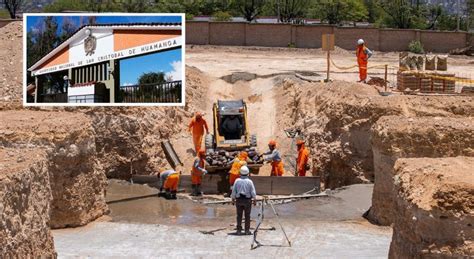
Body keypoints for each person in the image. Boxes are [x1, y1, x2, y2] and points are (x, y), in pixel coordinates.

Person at [231, 166, 256, 235]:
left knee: (239, 215)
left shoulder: (237, 181)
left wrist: (233, 199)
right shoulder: (250, 181)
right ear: (248, 173)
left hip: (239, 200)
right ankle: (247, 231)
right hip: (247, 200)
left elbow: (233, 191)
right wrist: (254, 199)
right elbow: (253, 192)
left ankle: (239, 231)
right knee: (247, 216)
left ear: (240, 173)